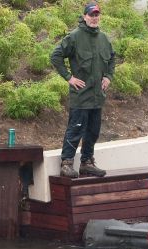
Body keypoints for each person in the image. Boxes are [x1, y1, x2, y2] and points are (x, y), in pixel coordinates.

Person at [50, 2, 115, 178]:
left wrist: (108, 76)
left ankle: (86, 163)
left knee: (93, 131)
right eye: (91, 15)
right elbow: (55, 56)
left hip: (97, 96)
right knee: (75, 129)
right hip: (80, 95)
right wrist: (69, 78)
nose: (94, 18)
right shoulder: (75, 37)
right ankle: (66, 163)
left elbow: (112, 58)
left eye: (96, 15)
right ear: (85, 16)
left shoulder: (104, 38)